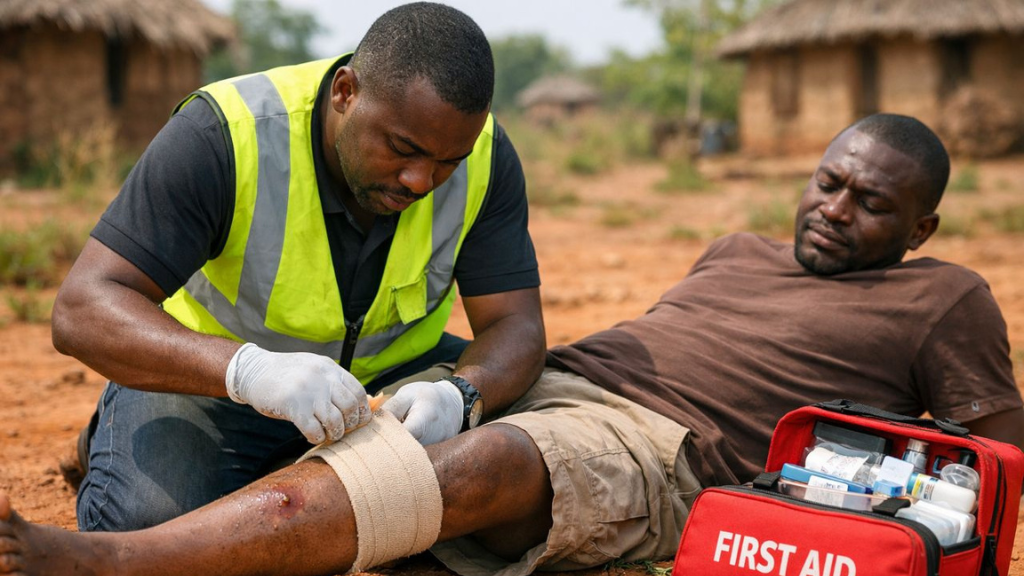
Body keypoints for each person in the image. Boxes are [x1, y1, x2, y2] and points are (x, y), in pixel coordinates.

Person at [3, 113, 1022, 576]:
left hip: (655, 449)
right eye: (828, 182)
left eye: (869, 204)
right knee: (352, 395)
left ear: (919, 228)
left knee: (456, 470)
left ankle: (102, 562)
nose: (834, 210)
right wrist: (474, 383)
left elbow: (1000, 460)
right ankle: (143, 436)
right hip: (549, 378)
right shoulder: (736, 245)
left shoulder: (941, 297)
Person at [48, 2, 546, 532]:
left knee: (538, 469)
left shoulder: (486, 156)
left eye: (448, 162)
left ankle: (295, 470)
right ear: (345, 92)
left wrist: (460, 396)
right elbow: (82, 308)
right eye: (402, 148)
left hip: (392, 391)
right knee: (153, 532)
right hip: (216, 386)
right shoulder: (225, 134)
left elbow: (514, 324)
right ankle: (116, 433)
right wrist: (250, 372)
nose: (421, 182)